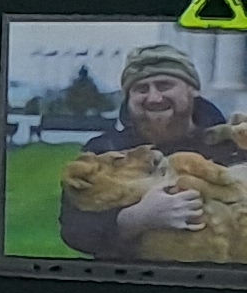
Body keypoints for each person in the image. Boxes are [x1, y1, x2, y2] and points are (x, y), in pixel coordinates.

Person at [56, 42, 245, 258]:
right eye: (141, 89)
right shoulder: (105, 152)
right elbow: (74, 230)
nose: (154, 98)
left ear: (193, 89)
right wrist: (137, 218)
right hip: (134, 277)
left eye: (164, 85)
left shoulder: (234, 146)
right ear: (129, 98)